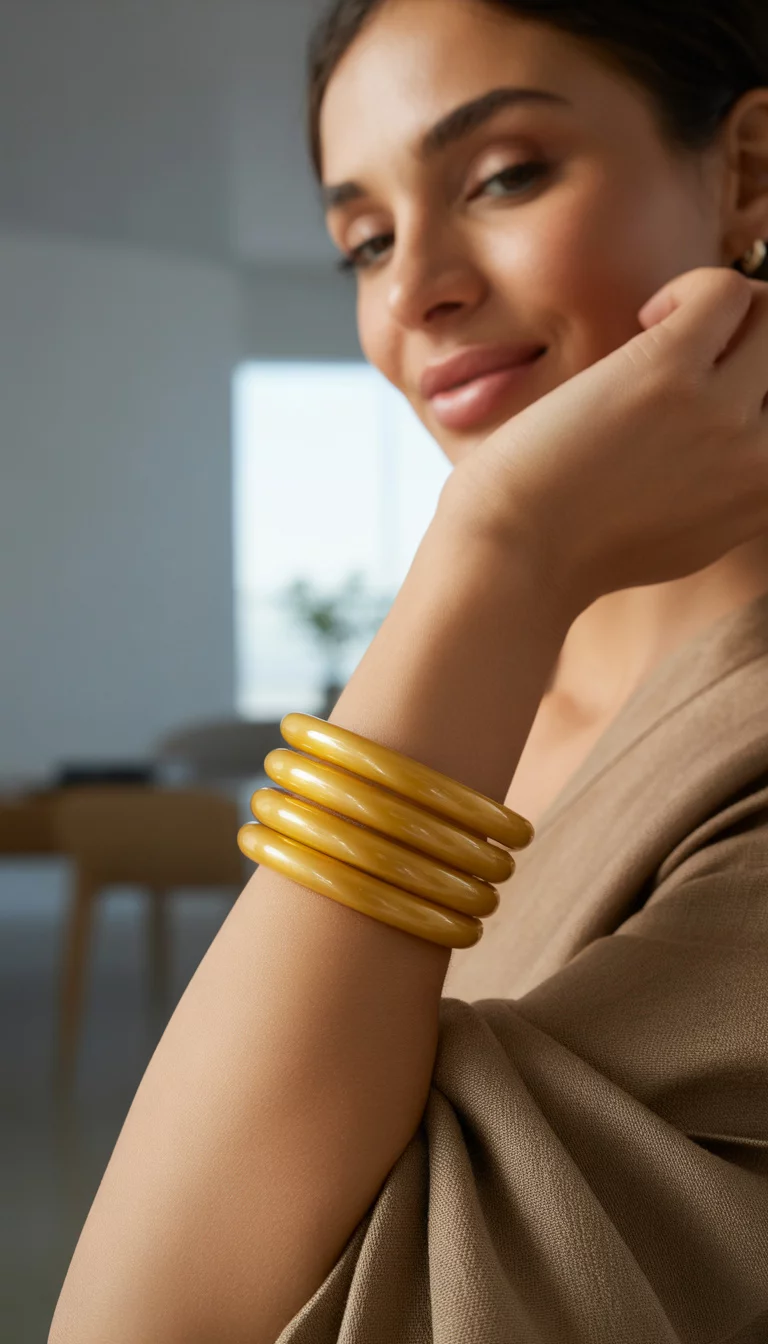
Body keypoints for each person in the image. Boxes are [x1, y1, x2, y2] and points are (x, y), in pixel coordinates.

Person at [49, 3, 768, 1342]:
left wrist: (500, 546)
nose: (411, 289)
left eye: (503, 176)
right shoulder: (459, 706)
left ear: (747, 173)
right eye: (365, 241)